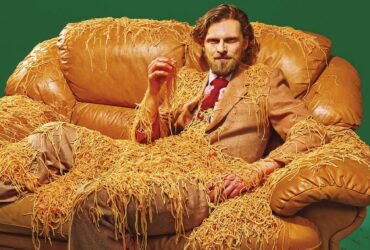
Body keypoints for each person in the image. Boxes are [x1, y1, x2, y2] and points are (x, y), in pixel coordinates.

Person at [68, 4, 323, 250]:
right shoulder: (188, 80)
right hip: (152, 169)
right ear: (203, 45)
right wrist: (153, 92)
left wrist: (260, 168)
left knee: (95, 201)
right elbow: (144, 136)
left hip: (201, 185)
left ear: (245, 43)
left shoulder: (265, 80)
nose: (221, 49)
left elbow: (310, 131)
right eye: (213, 41)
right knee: (57, 135)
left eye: (230, 41)